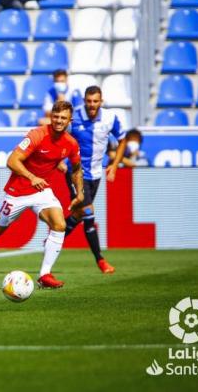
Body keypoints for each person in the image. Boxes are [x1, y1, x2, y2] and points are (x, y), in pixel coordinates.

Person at [0, 100, 83, 290]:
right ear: (51, 116)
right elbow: (12, 160)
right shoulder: (37, 134)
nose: (59, 121)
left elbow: (77, 169)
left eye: (63, 118)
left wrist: (80, 193)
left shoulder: (70, 143)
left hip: (42, 190)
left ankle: (45, 275)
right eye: (56, 116)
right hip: (17, 192)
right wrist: (31, 176)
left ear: (70, 120)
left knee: (59, 224)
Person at [63, 86, 127, 274]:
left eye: (95, 101)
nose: (92, 105)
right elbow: (59, 136)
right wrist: (60, 160)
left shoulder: (110, 118)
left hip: (96, 174)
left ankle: (54, 239)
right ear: (84, 101)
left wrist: (115, 165)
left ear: (101, 101)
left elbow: (122, 140)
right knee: (89, 213)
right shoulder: (73, 116)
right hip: (76, 173)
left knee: (78, 215)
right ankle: (100, 260)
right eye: (89, 101)